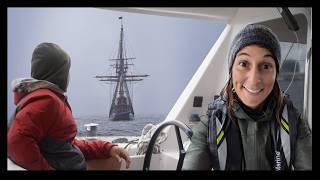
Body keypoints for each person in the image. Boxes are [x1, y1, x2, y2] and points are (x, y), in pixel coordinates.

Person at [182, 24, 312, 170]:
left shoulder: (293, 120)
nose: (254, 80)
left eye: (265, 66)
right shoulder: (212, 123)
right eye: (244, 64)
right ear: (231, 70)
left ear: (276, 73)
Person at [7, 42, 131, 170]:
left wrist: (107, 148)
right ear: (58, 72)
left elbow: (65, 144)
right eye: (66, 70)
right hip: (68, 166)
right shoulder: (48, 101)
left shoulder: (40, 98)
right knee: (113, 163)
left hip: (69, 163)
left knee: (114, 160)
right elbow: (16, 142)